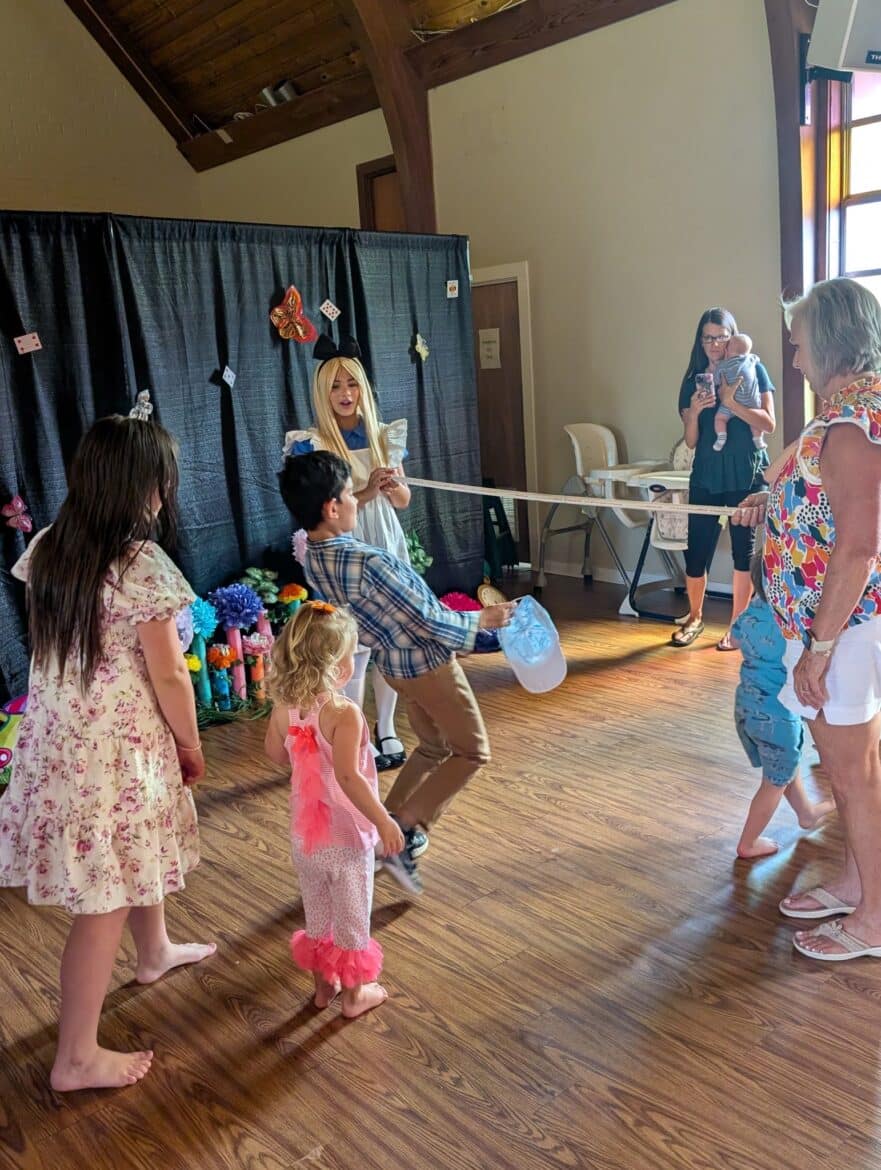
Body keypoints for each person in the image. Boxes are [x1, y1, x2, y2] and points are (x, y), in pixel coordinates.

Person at [0, 415, 215, 1091]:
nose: (165, 492)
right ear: (143, 486)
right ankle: (75, 1057)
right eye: (161, 480)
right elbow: (170, 673)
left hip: (60, 739)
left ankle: (154, 950)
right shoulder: (141, 564)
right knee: (103, 900)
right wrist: (190, 741)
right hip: (113, 752)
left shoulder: (49, 546)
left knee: (128, 856)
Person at [277, 450, 514, 895]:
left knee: (433, 746)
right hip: (427, 666)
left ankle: (380, 831)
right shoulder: (369, 562)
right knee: (473, 751)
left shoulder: (313, 557)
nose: (356, 501)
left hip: (393, 667)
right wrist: (484, 620)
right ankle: (401, 834)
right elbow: (427, 618)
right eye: (350, 494)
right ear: (332, 508)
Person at [732, 277, 881, 958]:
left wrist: (819, 648)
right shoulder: (844, 413)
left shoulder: (853, 424)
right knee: (850, 768)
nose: (793, 361)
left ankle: (873, 918)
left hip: (840, 628)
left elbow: (857, 546)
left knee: (852, 773)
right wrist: (775, 503)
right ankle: (856, 884)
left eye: (797, 346)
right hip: (826, 626)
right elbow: (826, 505)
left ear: (829, 341)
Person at [264, 602, 404, 1017]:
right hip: (345, 839)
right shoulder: (344, 714)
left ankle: (323, 989)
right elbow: (348, 777)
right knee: (352, 919)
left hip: (306, 840)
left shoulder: (284, 709)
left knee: (319, 915)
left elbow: (275, 754)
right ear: (338, 666)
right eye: (352, 653)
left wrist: (297, 741)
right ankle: (355, 997)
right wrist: (384, 819)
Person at [284, 336, 411, 773]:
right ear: (323, 392)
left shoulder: (383, 436)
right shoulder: (313, 442)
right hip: (343, 545)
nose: (345, 393)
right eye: (335, 386)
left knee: (391, 639)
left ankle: (387, 726)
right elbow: (324, 507)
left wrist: (391, 487)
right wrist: (367, 490)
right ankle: (355, 737)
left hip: (385, 541)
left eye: (352, 384)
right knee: (350, 644)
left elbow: (404, 501)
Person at [673, 308, 776, 650]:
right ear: (700, 342)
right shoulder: (694, 380)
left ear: (732, 337)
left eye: (721, 337)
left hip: (746, 472)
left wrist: (732, 401)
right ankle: (694, 617)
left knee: (742, 553)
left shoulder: (753, 368)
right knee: (696, 551)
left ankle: (736, 625)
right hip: (706, 473)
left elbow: (769, 423)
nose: (715, 344)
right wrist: (695, 412)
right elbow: (690, 441)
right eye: (708, 338)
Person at [732, 552, 835, 858]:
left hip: (747, 707)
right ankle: (748, 842)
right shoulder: (793, 622)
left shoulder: (750, 614)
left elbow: (735, 641)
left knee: (782, 767)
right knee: (774, 781)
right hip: (777, 718)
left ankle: (806, 813)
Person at [713, 333, 766, 453]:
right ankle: (758, 439)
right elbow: (756, 358)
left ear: (727, 351)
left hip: (729, 404)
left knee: (720, 419)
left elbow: (716, 380)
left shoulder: (723, 365)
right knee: (754, 421)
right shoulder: (751, 359)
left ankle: (721, 437)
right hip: (751, 402)